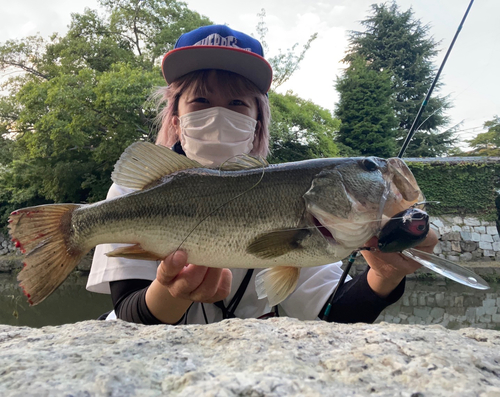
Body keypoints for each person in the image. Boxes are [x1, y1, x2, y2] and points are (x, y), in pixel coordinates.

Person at [87, 24, 437, 325]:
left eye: (238, 103)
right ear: (175, 120)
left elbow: (334, 312)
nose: (219, 114)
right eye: (200, 102)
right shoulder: (133, 190)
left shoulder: (305, 209)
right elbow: (127, 312)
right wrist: (170, 292)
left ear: (257, 126)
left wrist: (384, 276)